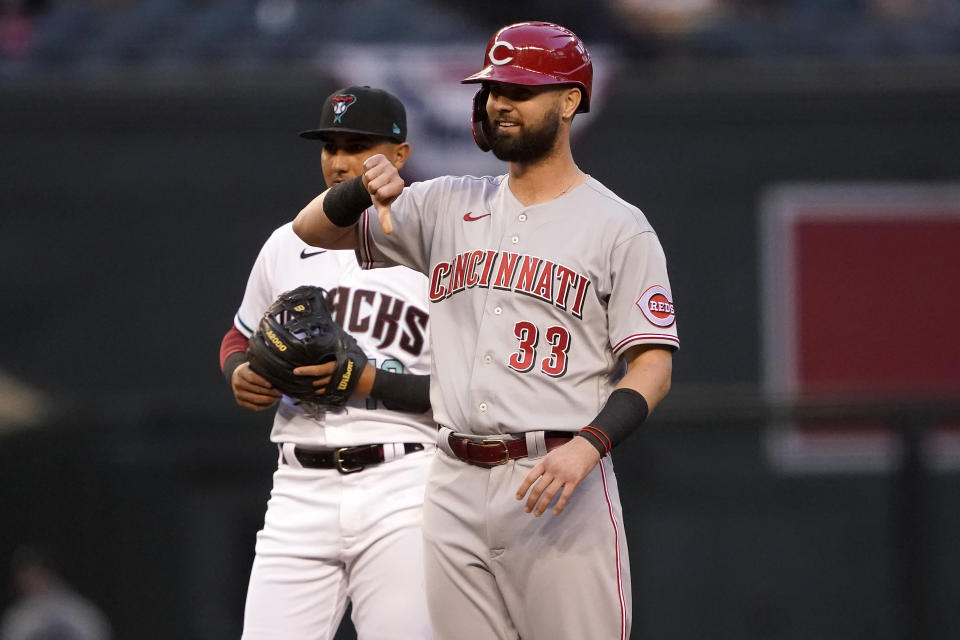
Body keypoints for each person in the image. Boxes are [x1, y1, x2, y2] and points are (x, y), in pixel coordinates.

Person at [291, 22, 679, 640]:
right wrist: (361, 190)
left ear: (570, 100)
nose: (501, 102)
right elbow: (312, 232)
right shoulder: (446, 203)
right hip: (452, 482)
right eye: (494, 87)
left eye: (521, 90)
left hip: (558, 479)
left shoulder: (618, 226)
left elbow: (652, 366)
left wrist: (590, 446)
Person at [219, 85, 435, 640]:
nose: (339, 161)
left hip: (405, 483)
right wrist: (239, 374)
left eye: (357, 145)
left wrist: (369, 381)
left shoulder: (437, 244)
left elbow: (472, 388)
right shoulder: (287, 243)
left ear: (401, 154)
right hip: (298, 484)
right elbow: (237, 337)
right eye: (329, 145)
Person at [1, 546, 112, 640]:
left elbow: (97, 633)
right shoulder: (17, 618)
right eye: (25, 576)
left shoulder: (80, 612)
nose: (31, 580)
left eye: (35, 573)